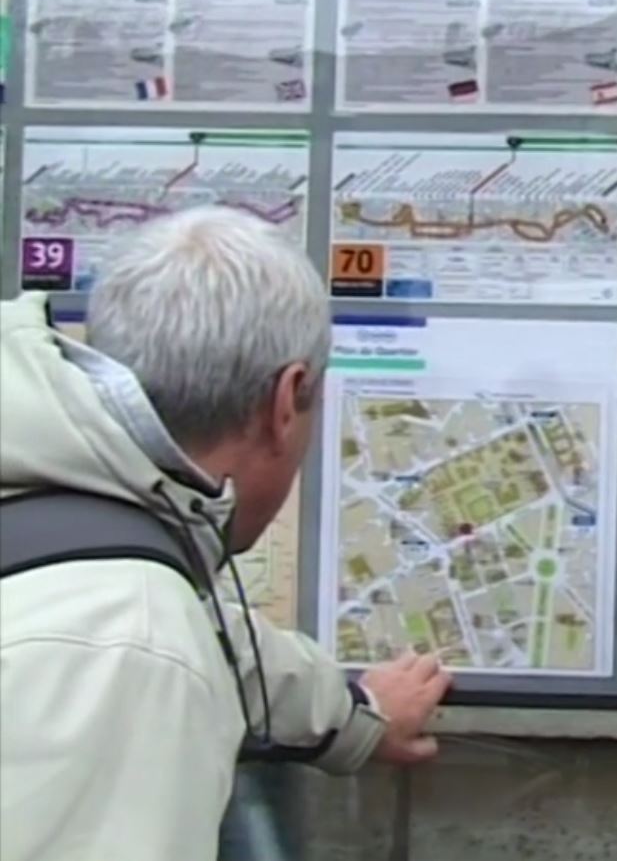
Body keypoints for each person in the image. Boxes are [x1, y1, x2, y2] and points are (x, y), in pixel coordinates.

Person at [0, 206, 453, 861]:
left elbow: (213, 635)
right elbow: (135, 639)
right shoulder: (133, 643)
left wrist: (353, 710)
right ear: (285, 401)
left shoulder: (54, 477)